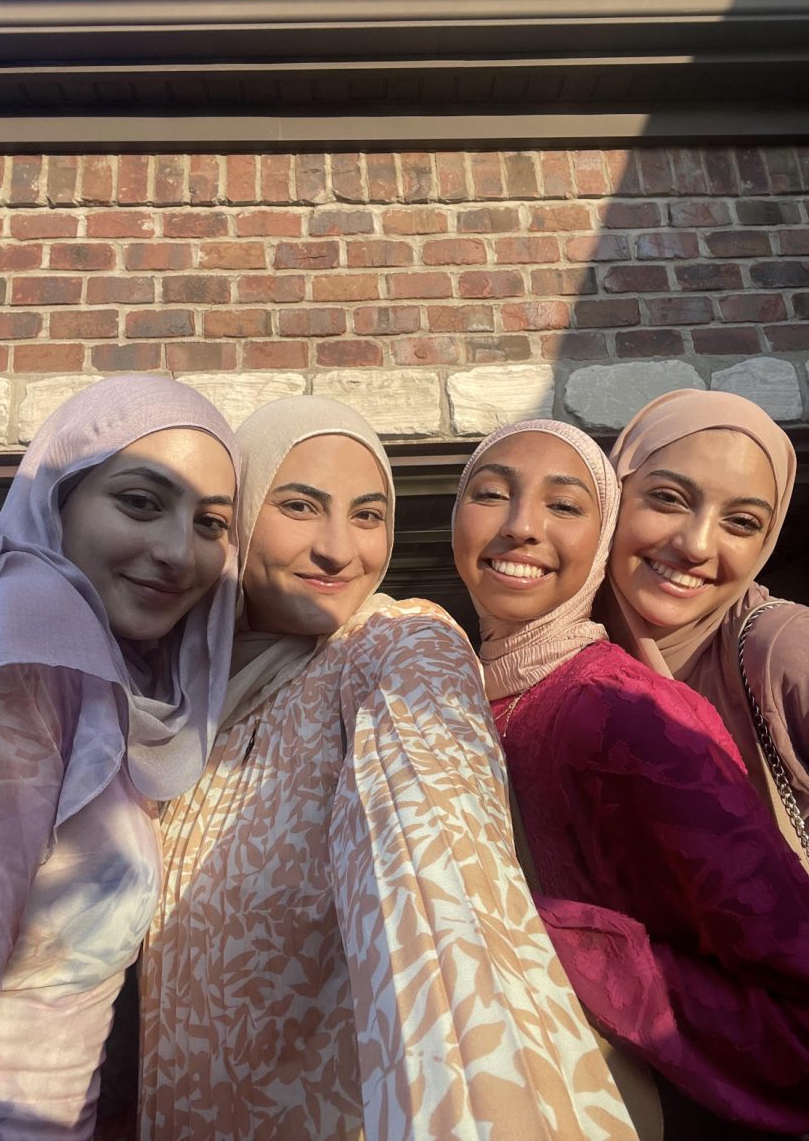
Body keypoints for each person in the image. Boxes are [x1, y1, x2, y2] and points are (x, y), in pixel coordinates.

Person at [139, 397, 635, 1141]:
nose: (340, 549)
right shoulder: (172, 704)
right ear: (234, 517)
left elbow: (437, 889)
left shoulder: (398, 650)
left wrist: (481, 1107)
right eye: (300, 506)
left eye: (368, 516)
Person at [451, 417, 809, 1137]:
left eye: (564, 504)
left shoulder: (625, 710)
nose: (523, 526)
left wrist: (533, 936)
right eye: (491, 493)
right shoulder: (454, 697)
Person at [0, 374, 239, 1141]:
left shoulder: (124, 675)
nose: (176, 552)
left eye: (211, 522)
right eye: (139, 502)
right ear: (58, 499)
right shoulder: (35, 626)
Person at [602, 388, 809, 842]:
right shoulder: (549, 653)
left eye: (742, 522)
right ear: (614, 495)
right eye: (669, 498)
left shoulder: (783, 647)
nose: (696, 546)